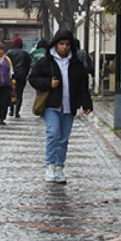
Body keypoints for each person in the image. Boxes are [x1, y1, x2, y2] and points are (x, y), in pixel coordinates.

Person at [28, 29, 93, 184]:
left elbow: (82, 85)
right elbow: (33, 78)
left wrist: (86, 103)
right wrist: (48, 83)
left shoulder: (76, 64)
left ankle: (59, 166)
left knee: (63, 138)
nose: (64, 47)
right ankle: (49, 165)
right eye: (61, 44)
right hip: (52, 105)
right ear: (55, 44)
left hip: (69, 106)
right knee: (53, 133)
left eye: (67, 44)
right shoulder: (46, 62)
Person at [6, 37, 32, 117]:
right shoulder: (25, 54)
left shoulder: (9, 53)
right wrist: (25, 74)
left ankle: (11, 110)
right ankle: (17, 112)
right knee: (19, 94)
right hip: (22, 75)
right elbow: (28, 65)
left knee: (11, 92)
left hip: (12, 75)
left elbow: (6, 65)